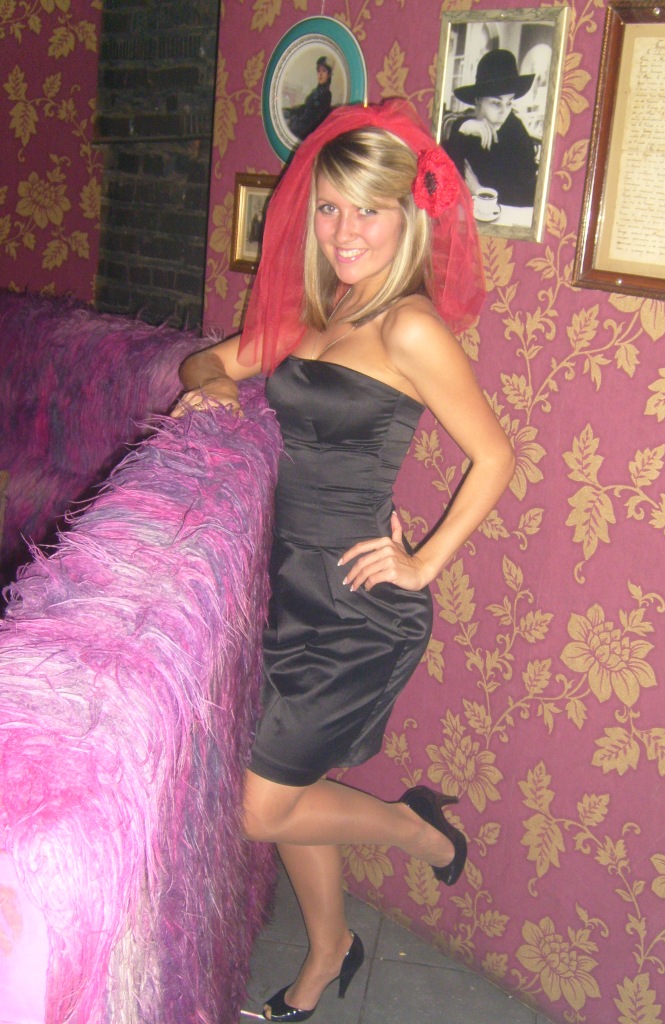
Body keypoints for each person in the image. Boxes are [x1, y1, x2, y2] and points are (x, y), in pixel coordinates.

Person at [172, 100, 515, 1022]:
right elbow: (207, 364)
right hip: (287, 592)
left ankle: (415, 828)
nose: (345, 230)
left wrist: (423, 563)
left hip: (359, 610)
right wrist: (211, 394)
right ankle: (329, 951)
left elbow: (497, 456)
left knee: (259, 806)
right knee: (287, 788)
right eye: (328, 207)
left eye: (368, 209)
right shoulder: (312, 316)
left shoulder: (409, 328)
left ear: (409, 219)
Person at [442, 48, 539, 209]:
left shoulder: (517, 134)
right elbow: (445, 180)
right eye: (496, 103)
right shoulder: (465, 127)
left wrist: (479, 191)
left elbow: (528, 197)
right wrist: (462, 130)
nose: (504, 112)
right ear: (478, 101)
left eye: (509, 103)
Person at [284, 56, 333, 141]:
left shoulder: (326, 94)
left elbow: (313, 118)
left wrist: (296, 121)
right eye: (319, 71)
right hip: (303, 126)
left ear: (328, 75)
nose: (320, 74)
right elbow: (306, 107)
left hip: (307, 132)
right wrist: (291, 112)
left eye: (324, 71)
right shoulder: (316, 91)